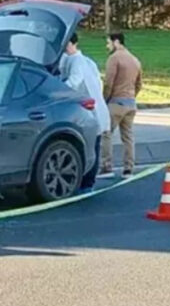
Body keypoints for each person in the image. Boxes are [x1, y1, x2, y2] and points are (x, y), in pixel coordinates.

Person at [59, 33, 110, 193]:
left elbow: (74, 82)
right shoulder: (86, 61)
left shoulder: (77, 62)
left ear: (72, 43)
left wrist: (57, 92)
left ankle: (87, 183)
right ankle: (87, 182)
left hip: (88, 109)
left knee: (91, 147)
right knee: (92, 146)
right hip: (91, 107)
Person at [99, 32, 143, 179]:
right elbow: (139, 84)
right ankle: (128, 169)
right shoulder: (135, 60)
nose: (107, 46)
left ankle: (106, 167)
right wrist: (131, 96)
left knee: (106, 133)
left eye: (108, 43)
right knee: (128, 137)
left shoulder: (114, 58)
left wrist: (104, 100)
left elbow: (108, 82)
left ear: (116, 42)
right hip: (130, 103)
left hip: (116, 102)